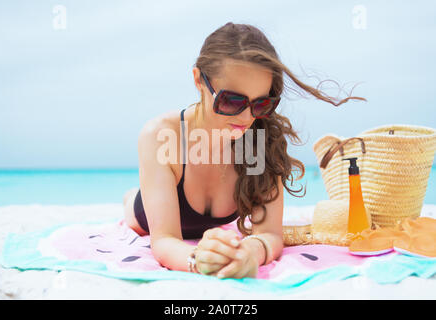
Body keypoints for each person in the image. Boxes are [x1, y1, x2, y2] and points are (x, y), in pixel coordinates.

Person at [122, 22, 365, 279]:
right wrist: (198, 260)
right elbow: (164, 241)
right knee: (133, 207)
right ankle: (129, 197)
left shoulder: (258, 141)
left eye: (261, 104)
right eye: (232, 101)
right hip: (143, 216)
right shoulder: (161, 135)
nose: (248, 117)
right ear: (198, 81)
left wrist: (250, 252)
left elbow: (269, 234)